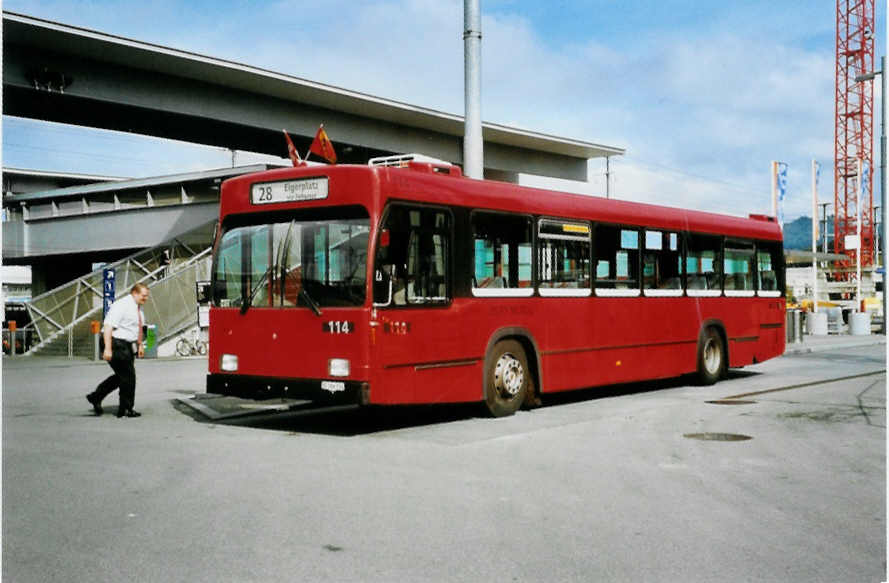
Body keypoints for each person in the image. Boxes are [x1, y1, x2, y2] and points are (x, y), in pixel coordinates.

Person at [86, 283, 149, 418]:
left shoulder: (138, 309)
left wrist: (140, 345)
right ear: (135, 293)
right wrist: (108, 349)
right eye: (144, 295)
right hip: (115, 342)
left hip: (126, 345)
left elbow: (138, 328)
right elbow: (108, 326)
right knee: (129, 377)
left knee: (122, 376)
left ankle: (96, 396)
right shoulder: (122, 305)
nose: (146, 298)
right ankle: (126, 408)